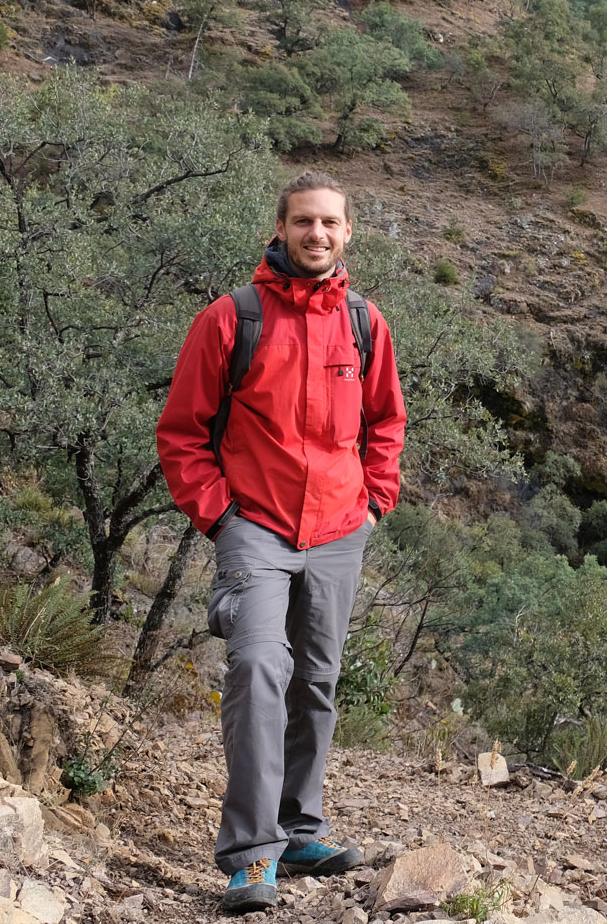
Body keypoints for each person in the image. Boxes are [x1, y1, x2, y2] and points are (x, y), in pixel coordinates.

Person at [156, 171, 407, 914]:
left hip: (338, 531)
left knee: (318, 682)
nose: (317, 234)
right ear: (281, 226)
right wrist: (220, 516)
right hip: (255, 529)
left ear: (348, 232)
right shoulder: (230, 319)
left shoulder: (365, 323)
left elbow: (387, 423)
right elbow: (181, 434)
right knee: (260, 667)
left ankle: (300, 830)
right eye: (304, 222)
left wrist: (375, 505)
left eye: (330, 223)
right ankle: (251, 854)